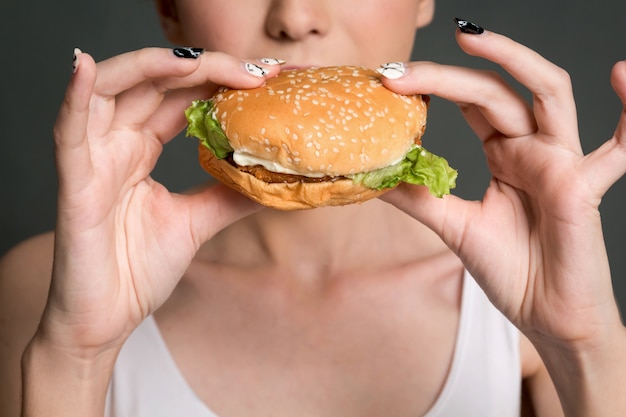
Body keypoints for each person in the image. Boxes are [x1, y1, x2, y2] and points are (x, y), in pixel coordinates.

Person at [1, 0, 626, 415]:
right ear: (170, 7)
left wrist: (586, 347)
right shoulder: (42, 291)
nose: (296, 18)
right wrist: (76, 357)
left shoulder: (518, 305)